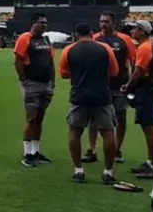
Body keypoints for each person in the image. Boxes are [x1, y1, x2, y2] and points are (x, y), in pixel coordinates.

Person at [59, 23, 121, 184]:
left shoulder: (68, 50)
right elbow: (114, 72)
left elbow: (64, 74)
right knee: (108, 132)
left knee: (75, 131)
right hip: (102, 95)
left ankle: (78, 170)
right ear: (92, 33)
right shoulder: (105, 48)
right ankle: (108, 172)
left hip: (79, 96)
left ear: (76, 34)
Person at [83, 12, 136, 164]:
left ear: (114, 23)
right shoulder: (94, 39)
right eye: (101, 22)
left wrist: (131, 83)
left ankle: (117, 149)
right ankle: (91, 149)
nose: (103, 24)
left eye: (106, 22)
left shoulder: (125, 39)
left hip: (120, 86)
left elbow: (134, 61)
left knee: (121, 116)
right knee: (93, 118)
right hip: (98, 86)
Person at [14, 13, 54, 167]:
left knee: (40, 118)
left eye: (45, 23)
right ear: (33, 23)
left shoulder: (46, 40)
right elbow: (17, 60)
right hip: (32, 84)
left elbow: (50, 62)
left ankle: (36, 151)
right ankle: (27, 154)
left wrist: (52, 82)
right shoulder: (25, 38)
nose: (44, 25)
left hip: (46, 84)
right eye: (41, 23)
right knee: (31, 118)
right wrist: (24, 80)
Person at [122, 20, 153, 179]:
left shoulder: (145, 48)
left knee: (149, 128)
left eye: (135, 29)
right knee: (147, 127)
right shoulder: (146, 46)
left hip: (146, 92)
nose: (132, 31)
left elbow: (138, 72)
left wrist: (127, 87)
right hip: (147, 91)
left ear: (142, 31)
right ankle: (151, 162)